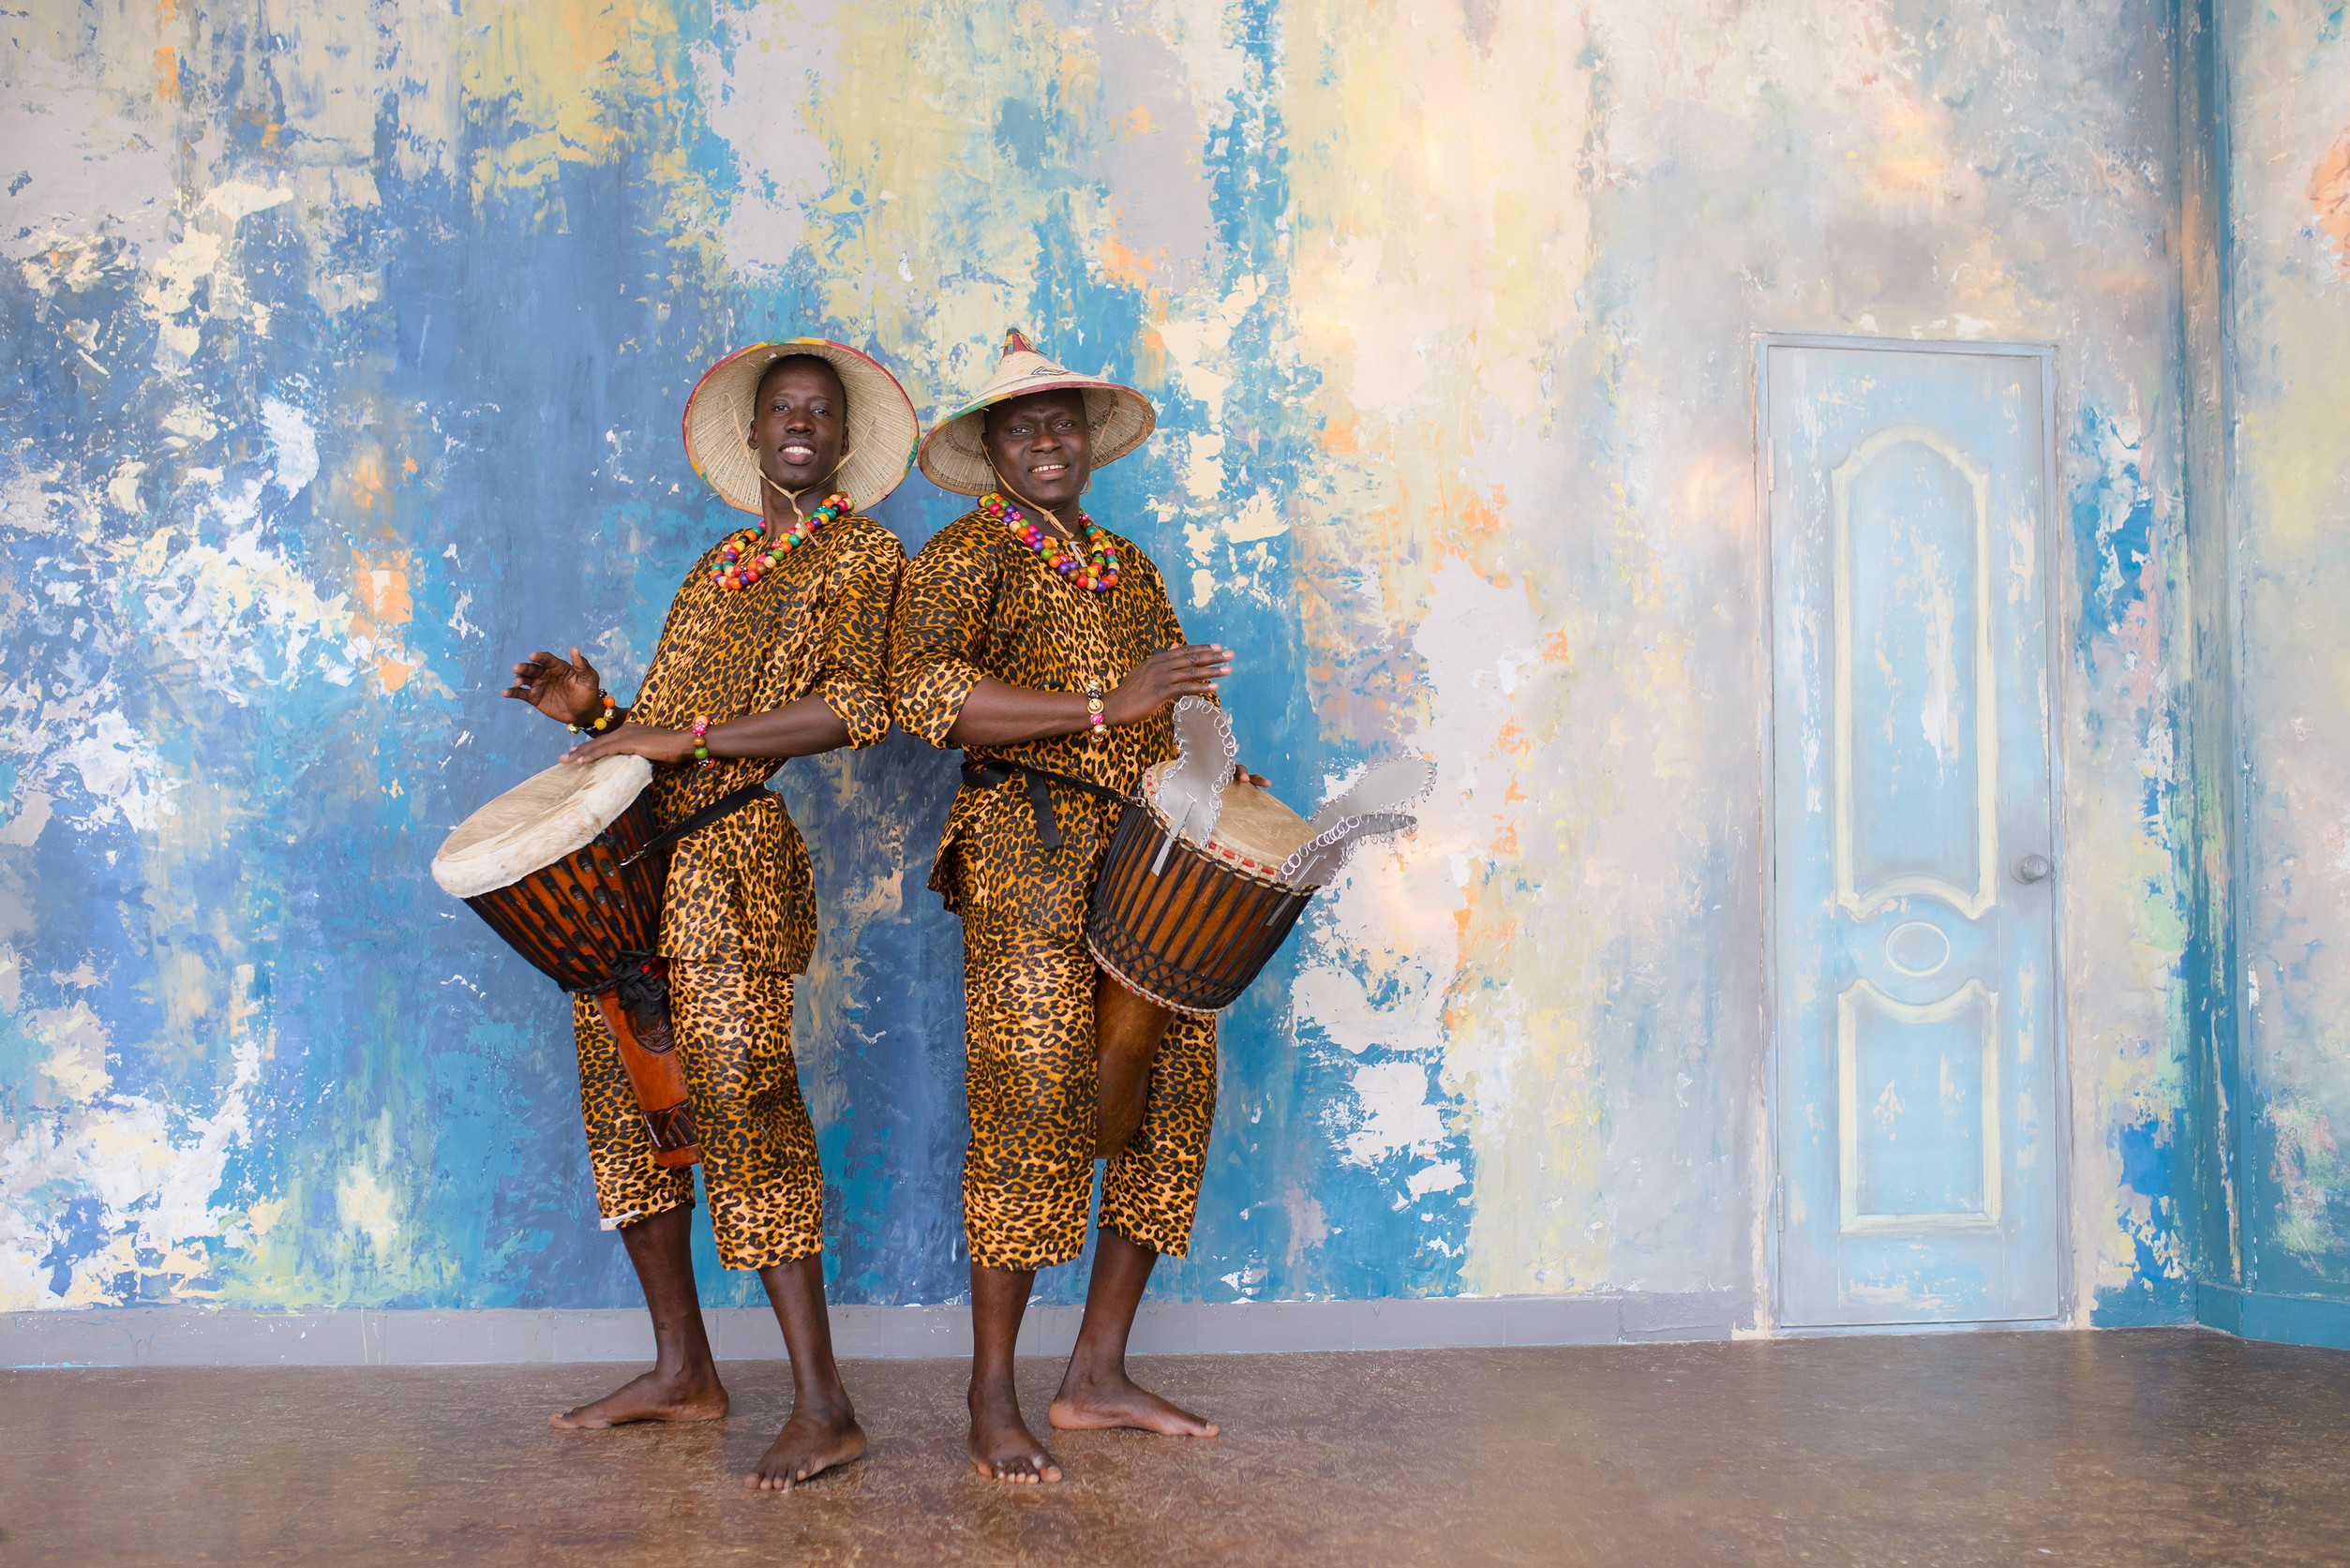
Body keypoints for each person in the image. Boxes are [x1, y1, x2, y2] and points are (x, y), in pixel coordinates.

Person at [502, 339, 914, 1490]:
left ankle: (825, 1403)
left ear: (841, 442)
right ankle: (683, 1369)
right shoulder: (719, 561)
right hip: (631, 863)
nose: (797, 423)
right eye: (779, 409)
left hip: (728, 862)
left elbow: (854, 706)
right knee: (629, 1101)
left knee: (743, 1107)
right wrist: (600, 712)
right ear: (751, 438)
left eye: (817, 413)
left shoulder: (864, 552)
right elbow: (663, 731)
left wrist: (671, 736)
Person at [891, 330, 1257, 1484]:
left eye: (1062, 422)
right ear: (990, 447)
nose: (1046, 439)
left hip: (1148, 849)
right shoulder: (962, 555)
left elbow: (1164, 714)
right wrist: (1105, 704)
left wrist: (1211, 780)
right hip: (1026, 846)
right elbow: (926, 696)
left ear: (1087, 444)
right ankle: (989, 1394)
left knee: (1169, 1089)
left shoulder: (1128, 563)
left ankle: (1094, 1372)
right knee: (1032, 1100)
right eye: (1021, 425)